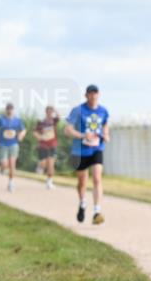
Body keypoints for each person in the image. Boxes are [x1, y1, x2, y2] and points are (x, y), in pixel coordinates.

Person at [65, 85, 110, 225]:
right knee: (82, 182)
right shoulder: (78, 110)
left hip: (96, 149)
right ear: (86, 95)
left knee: (97, 178)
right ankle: (82, 203)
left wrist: (106, 135)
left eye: (95, 93)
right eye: (90, 94)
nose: (93, 96)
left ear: (99, 95)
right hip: (80, 151)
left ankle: (97, 211)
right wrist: (84, 135)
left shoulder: (103, 111)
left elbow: (105, 126)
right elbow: (67, 130)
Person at [0, 103, 26, 192]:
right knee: (5, 164)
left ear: (13, 110)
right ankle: (2, 168)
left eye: (11, 109)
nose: (9, 111)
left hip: (13, 143)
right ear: (6, 110)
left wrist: (21, 135)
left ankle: (11, 183)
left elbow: (24, 129)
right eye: (8, 109)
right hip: (3, 144)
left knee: (12, 163)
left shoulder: (17, 120)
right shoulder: (0, 119)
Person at [33, 105, 60, 189]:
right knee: (44, 163)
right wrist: (39, 137)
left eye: (51, 111)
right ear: (46, 112)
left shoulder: (54, 121)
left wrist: (55, 110)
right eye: (49, 111)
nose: (50, 113)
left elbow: (59, 117)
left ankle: (49, 182)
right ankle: (40, 166)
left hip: (52, 144)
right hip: (43, 145)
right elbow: (34, 131)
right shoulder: (41, 121)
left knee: (51, 164)